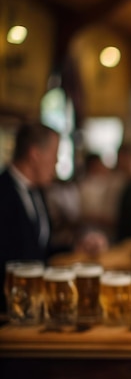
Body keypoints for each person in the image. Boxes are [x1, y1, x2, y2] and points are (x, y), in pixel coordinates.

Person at [0, 122, 60, 312]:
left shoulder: (38, 191)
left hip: (35, 306)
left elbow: (39, 248)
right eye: (54, 155)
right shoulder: (3, 191)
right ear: (35, 154)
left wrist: (77, 246)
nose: (56, 163)